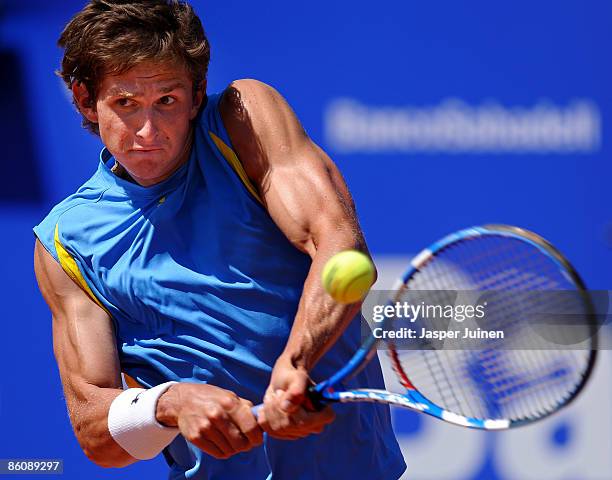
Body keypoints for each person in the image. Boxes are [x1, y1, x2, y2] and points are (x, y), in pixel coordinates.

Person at [33, 1, 406, 478]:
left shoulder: (241, 119)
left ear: (196, 94)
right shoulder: (66, 241)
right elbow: (96, 435)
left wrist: (296, 366)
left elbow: (340, 247)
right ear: (86, 100)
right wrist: (168, 403)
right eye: (125, 103)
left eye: (166, 100)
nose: (148, 132)